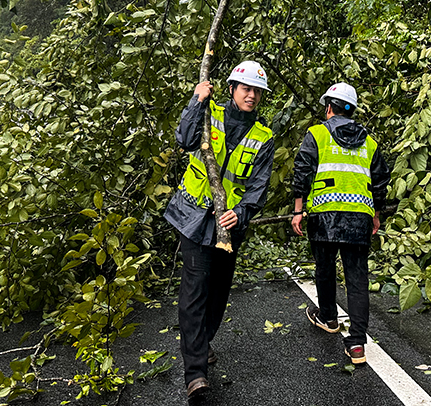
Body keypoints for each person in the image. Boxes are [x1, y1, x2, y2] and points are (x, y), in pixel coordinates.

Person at [164, 60, 275, 398]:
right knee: (194, 292)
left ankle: (202, 341)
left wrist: (240, 213)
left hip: (229, 228)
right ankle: (195, 374)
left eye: (257, 91)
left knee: (219, 292)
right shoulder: (208, 112)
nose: (252, 95)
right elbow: (183, 140)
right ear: (231, 89)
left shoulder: (263, 137)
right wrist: (196, 100)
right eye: (246, 89)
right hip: (194, 218)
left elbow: (258, 186)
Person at [291, 82, 390, 365]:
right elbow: (380, 180)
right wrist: (376, 213)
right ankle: (357, 343)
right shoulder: (369, 142)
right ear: (352, 111)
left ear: (329, 107)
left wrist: (298, 210)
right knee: (357, 279)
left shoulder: (317, 134)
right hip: (358, 215)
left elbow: (303, 171)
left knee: (324, 268)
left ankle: (328, 317)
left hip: (323, 214)